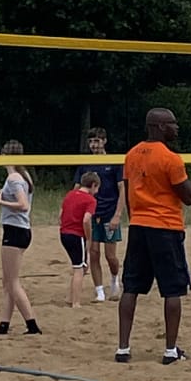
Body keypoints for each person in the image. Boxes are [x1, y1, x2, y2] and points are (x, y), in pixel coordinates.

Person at [116, 106, 191, 364]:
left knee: (131, 287)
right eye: (172, 124)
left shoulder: (131, 155)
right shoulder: (170, 158)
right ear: (160, 127)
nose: (177, 128)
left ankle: (123, 348)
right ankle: (170, 350)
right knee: (172, 289)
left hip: (139, 227)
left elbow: (130, 193)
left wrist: (136, 220)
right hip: (165, 227)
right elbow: (189, 196)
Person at [0, 140, 40, 336]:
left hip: (15, 231)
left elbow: (23, 205)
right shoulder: (23, 177)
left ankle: (32, 324)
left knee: (12, 282)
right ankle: (4, 324)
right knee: (8, 281)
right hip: (20, 230)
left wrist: (1, 201)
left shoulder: (14, 178)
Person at [78, 130, 123, 303]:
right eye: (91, 141)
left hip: (109, 212)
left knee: (110, 255)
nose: (94, 145)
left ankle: (114, 279)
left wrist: (117, 215)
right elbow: (77, 188)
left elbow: (122, 190)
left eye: (97, 141)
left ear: (104, 141)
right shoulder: (85, 164)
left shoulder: (113, 162)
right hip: (91, 214)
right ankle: (99, 291)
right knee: (93, 252)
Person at [60, 170, 98, 308]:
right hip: (76, 235)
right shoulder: (90, 200)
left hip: (64, 233)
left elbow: (61, 214)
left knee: (78, 265)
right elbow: (86, 220)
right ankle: (76, 303)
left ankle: (70, 298)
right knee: (79, 269)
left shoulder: (70, 195)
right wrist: (89, 237)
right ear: (93, 185)